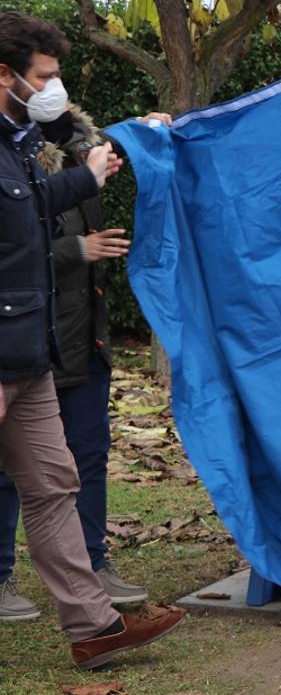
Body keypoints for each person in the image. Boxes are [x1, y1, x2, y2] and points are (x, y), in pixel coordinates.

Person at [0, 11, 183, 668]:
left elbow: (42, 193)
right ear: (5, 74)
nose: (51, 90)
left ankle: (94, 627)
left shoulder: (17, 141)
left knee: (53, 487)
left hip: (31, 357)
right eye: (43, 77)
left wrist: (110, 158)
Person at [0, 102, 148, 623]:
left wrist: (145, 130)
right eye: (42, 75)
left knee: (71, 466)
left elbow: (106, 151)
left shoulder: (76, 146)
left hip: (72, 340)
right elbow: (22, 240)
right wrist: (75, 251)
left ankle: (92, 593)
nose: (51, 87)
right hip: (23, 340)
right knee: (15, 473)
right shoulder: (13, 156)